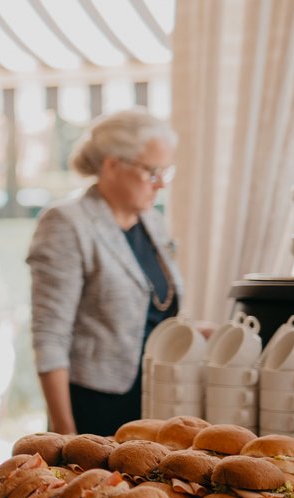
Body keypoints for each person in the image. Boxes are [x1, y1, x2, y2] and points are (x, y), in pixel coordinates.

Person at [27, 108, 183, 436]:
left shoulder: (151, 221)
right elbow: (50, 336)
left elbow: (151, 307)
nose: (160, 185)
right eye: (151, 172)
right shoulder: (67, 223)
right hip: (93, 406)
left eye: (165, 172)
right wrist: (65, 433)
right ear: (112, 166)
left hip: (154, 402)